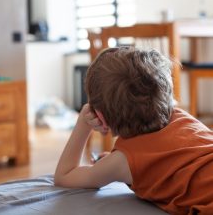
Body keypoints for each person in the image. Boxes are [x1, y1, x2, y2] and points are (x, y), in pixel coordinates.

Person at [54, 47, 213, 215]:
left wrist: (83, 124)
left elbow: (64, 176)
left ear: (99, 115)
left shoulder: (120, 163)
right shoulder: (181, 117)